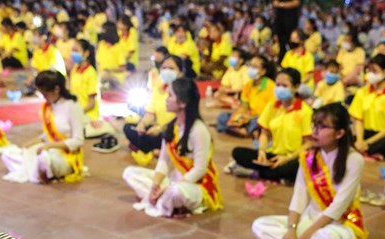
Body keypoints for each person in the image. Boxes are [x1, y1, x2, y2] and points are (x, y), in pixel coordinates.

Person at [252, 102, 369, 239]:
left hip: (341, 225)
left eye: (322, 127)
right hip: (309, 220)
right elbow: (298, 197)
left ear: (339, 133)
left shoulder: (354, 160)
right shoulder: (308, 157)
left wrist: (307, 234)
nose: (315, 131)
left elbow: (339, 206)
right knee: (260, 225)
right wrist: (292, 229)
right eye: (315, 125)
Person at [123, 78, 222, 218]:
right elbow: (163, 160)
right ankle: (162, 201)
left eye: (170, 95)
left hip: (194, 186)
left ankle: (161, 200)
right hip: (172, 181)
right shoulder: (172, 127)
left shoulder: (198, 130)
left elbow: (200, 170)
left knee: (176, 192)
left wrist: (167, 188)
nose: (166, 99)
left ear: (182, 103)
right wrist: (155, 185)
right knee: (130, 173)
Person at [228, 67, 312, 183]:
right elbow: (264, 134)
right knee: (238, 152)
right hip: (273, 155)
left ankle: (259, 173)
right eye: (277, 85)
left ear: (296, 87)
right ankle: (273, 175)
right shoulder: (272, 106)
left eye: (284, 86)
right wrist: (262, 151)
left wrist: (288, 157)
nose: (279, 89)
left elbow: (308, 143)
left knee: (299, 167)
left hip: (293, 158)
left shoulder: (305, 111)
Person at [2, 70, 84, 184]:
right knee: (9, 153)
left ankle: (38, 170)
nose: (44, 97)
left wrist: (49, 146)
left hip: (66, 156)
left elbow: (78, 141)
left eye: (45, 93)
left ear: (56, 89)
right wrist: (32, 143)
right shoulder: (48, 107)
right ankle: (36, 171)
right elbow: (48, 134)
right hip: (49, 149)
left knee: (43, 159)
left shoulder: (73, 106)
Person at [122, 54, 183, 155]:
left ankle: (161, 150)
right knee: (129, 128)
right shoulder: (159, 88)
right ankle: (159, 150)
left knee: (169, 136)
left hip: (175, 131)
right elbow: (150, 113)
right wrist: (142, 124)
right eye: (164, 68)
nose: (167, 71)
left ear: (180, 72)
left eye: (171, 68)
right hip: (158, 129)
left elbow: (182, 119)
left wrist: (161, 128)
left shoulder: (184, 91)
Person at [348, 54, 385, 160]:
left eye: (375, 71)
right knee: (347, 139)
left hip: (380, 136)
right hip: (364, 132)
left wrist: (368, 142)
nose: (370, 74)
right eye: (369, 71)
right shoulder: (362, 92)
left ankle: (366, 151)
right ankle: (363, 150)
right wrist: (360, 140)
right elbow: (359, 120)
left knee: (384, 145)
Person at [272, 0, 301, 64]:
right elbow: (275, 3)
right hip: (279, 23)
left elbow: (296, 3)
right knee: (281, 47)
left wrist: (281, 4)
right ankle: (281, 63)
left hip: (291, 23)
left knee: (292, 45)